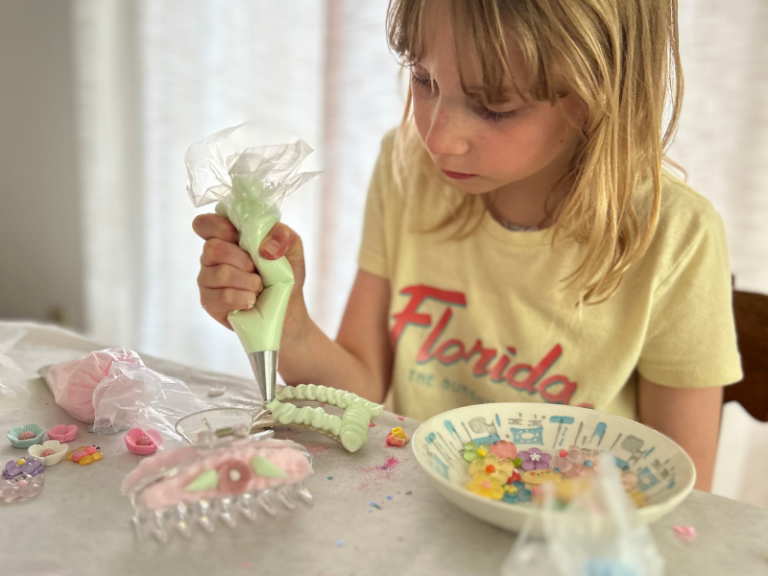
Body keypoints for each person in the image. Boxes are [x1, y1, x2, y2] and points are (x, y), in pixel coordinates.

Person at [192, 0, 741, 491]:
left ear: (602, 89)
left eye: (494, 107)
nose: (438, 137)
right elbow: (361, 393)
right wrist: (290, 326)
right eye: (423, 78)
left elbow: (681, 488)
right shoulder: (407, 170)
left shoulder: (678, 236)